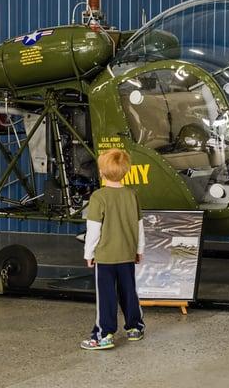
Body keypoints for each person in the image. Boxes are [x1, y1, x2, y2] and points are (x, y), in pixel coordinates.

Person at [80, 148, 146, 350]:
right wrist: (139, 249)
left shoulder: (99, 197)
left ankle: (104, 334)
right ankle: (135, 327)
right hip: (127, 254)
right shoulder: (131, 195)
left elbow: (93, 230)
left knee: (106, 296)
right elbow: (139, 225)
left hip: (106, 257)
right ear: (126, 171)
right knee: (129, 292)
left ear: (101, 172)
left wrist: (89, 254)